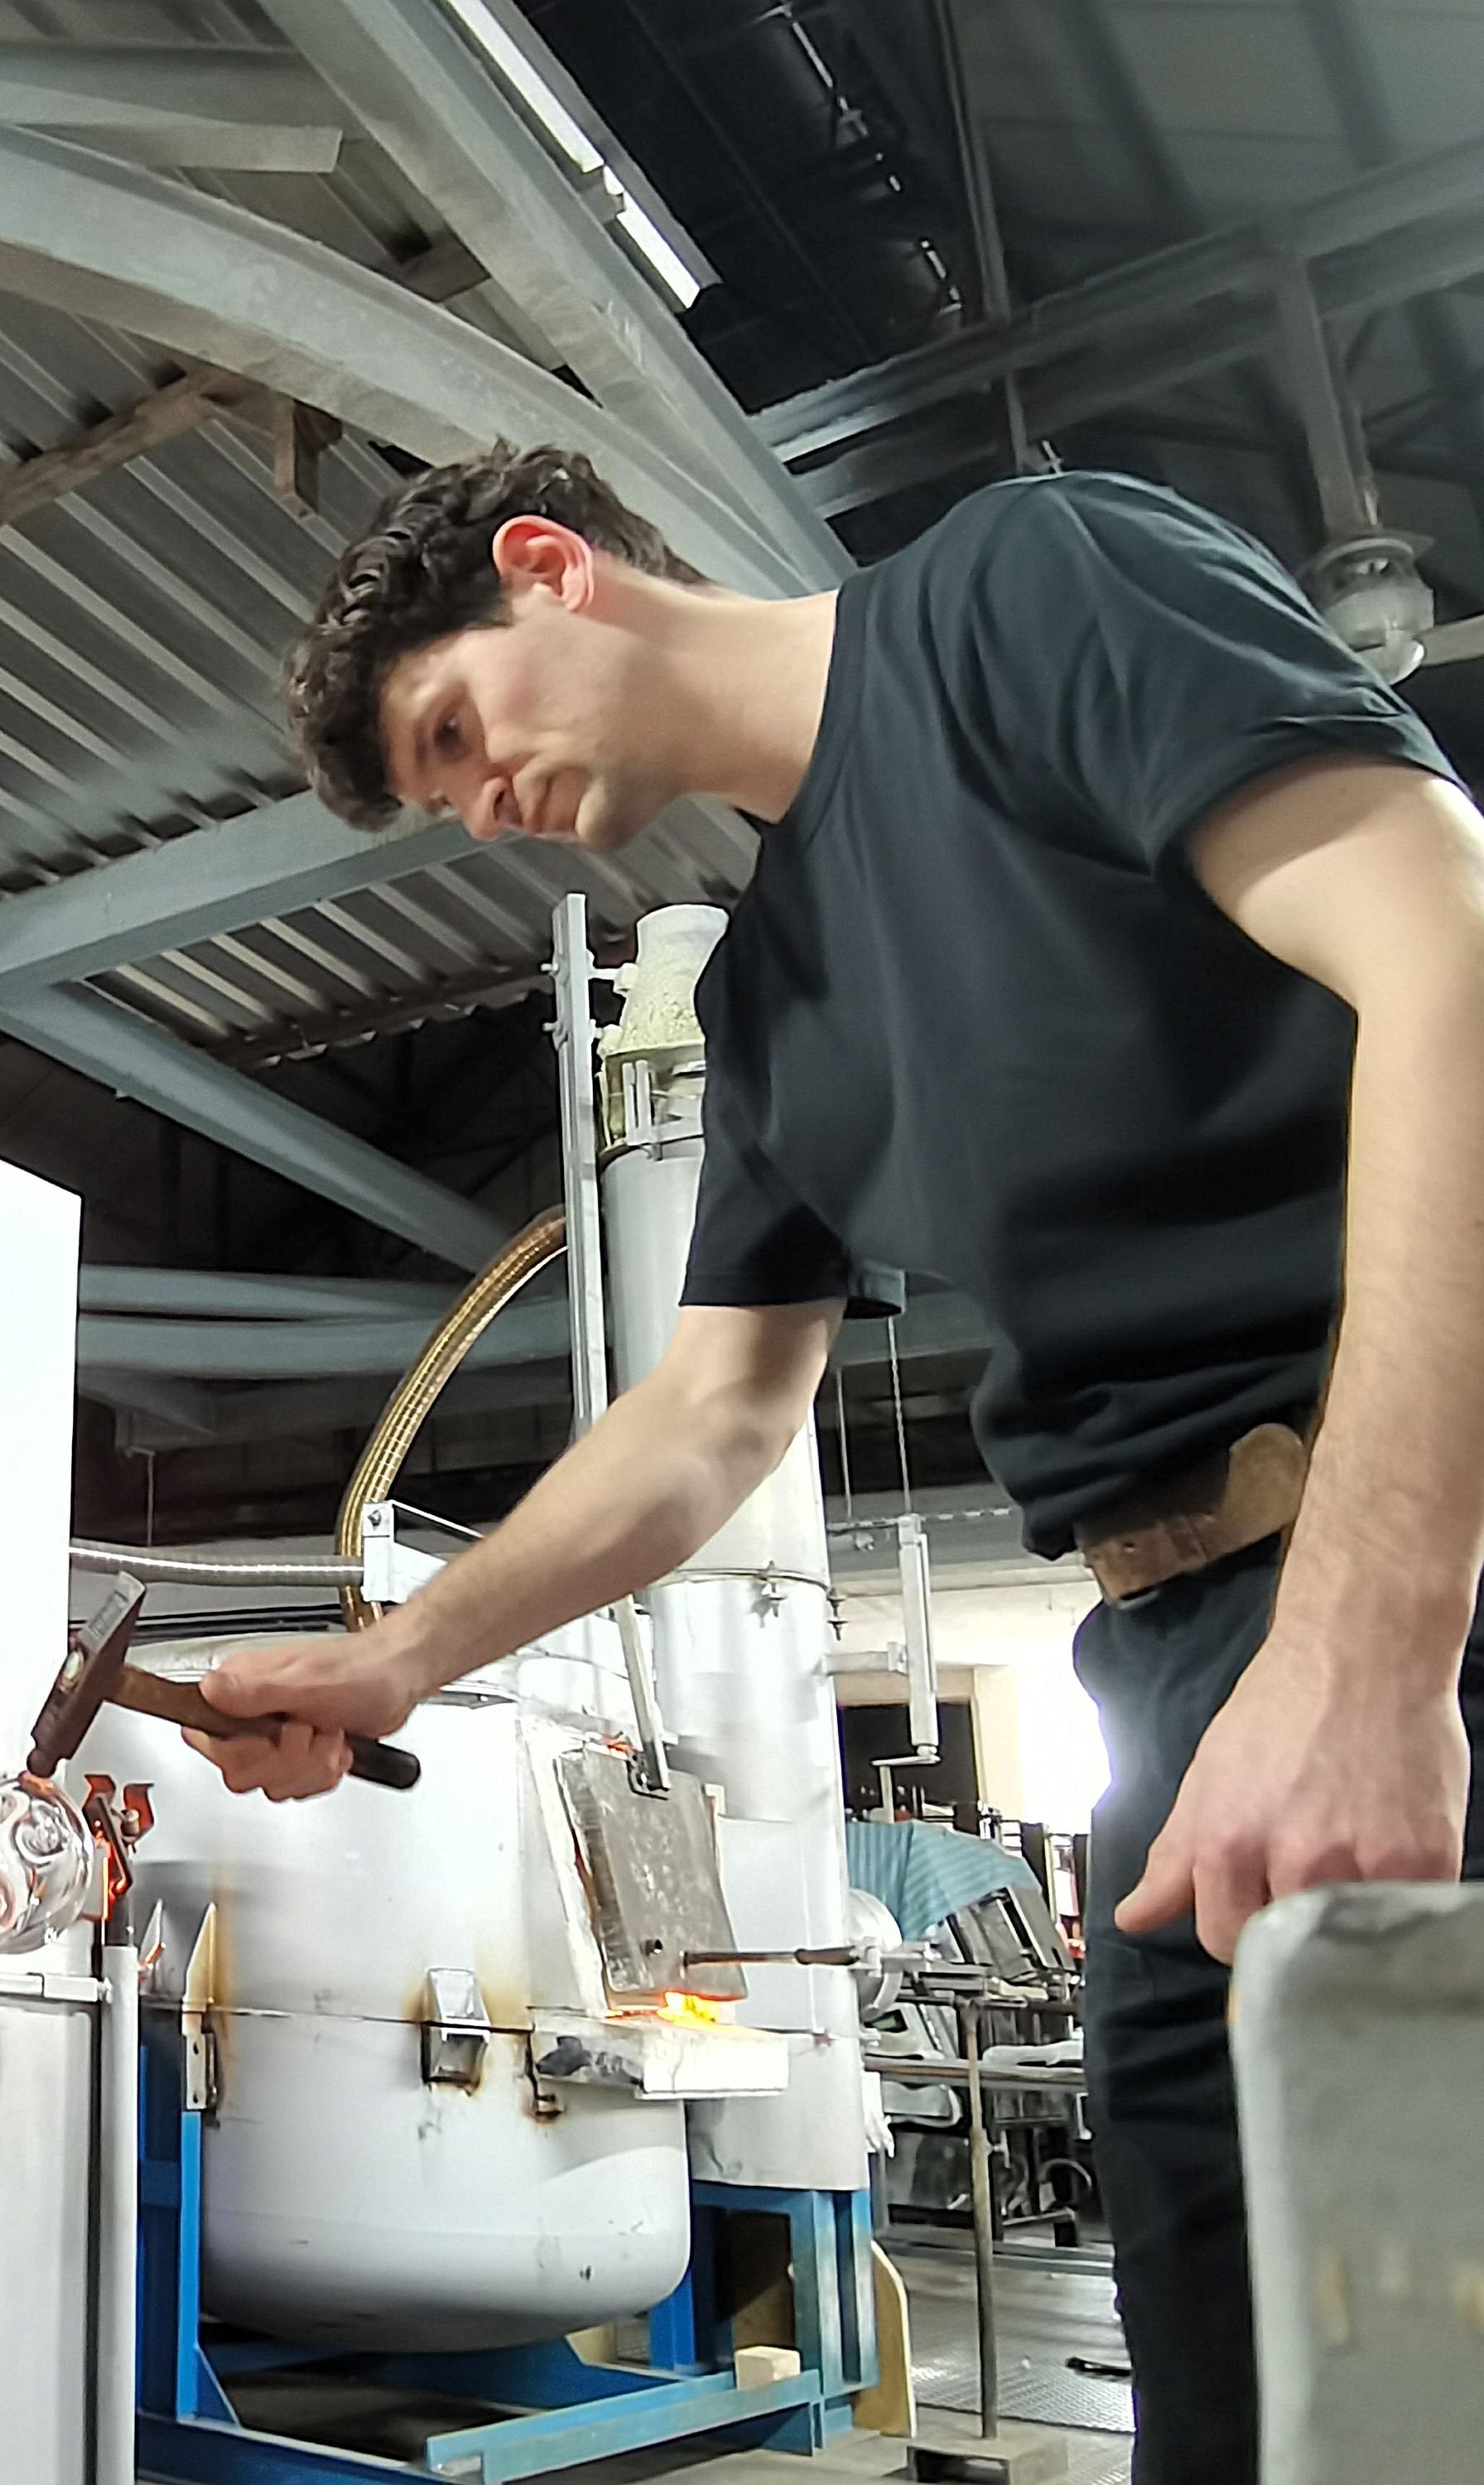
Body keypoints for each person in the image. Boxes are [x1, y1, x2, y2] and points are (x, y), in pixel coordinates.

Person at [195, 444, 1484, 2484]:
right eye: (444, 800)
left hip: (1410, 1558)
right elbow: (708, 1419)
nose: (482, 806)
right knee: (1242, 2404)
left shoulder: (1018, 591)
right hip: (1168, 1671)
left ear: (554, 569)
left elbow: (1449, 948)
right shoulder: (774, 998)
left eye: (457, 733)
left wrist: (1372, 1645)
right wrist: (395, 1662)